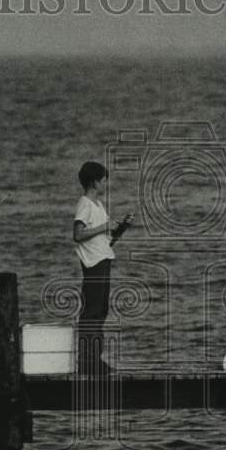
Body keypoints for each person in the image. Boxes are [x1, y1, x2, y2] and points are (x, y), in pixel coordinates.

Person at [72, 161, 132, 375]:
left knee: (101, 310)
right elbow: (78, 235)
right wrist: (103, 227)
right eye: (103, 180)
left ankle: (95, 358)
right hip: (93, 263)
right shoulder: (85, 205)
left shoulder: (98, 205)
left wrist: (121, 228)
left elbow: (106, 241)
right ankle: (86, 360)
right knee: (92, 311)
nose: (106, 184)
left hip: (104, 259)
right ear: (94, 182)